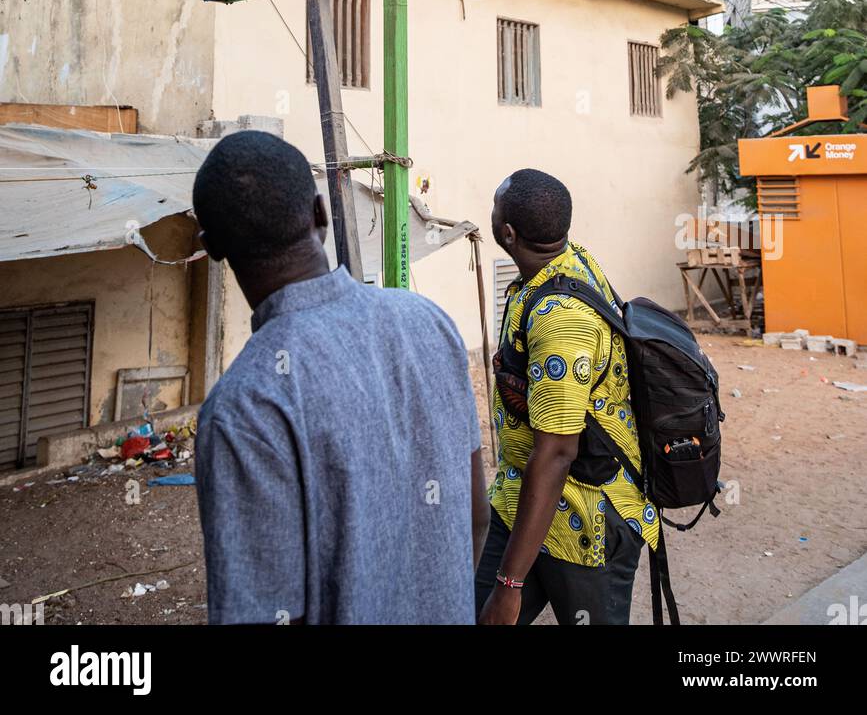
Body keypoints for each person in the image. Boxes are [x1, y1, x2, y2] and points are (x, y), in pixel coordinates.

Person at [192, 130, 489, 625]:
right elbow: (476, 518)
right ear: (320, 215)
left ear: (213, 247)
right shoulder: (431, 324)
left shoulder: (245, 407)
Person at [475, 168, 659, 625]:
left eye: (494, 209)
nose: (492, 213)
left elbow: (557, 453)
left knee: (497, 607)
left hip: (586, 519)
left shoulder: (562, 321)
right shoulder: (563, 264)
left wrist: (509, 586)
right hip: (523, 499)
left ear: (508, 233)